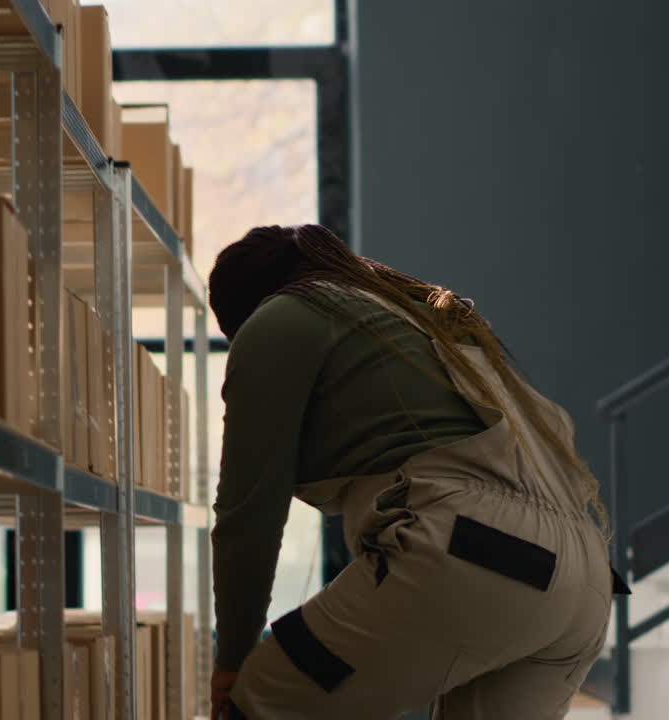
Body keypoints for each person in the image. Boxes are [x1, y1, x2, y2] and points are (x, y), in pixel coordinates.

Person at [206, 225, 628, 720]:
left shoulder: (283, 317)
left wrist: (232, 661)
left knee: (262, 701)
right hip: (584, 580)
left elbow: (247, 515)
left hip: (481, 555)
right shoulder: (417, 317)